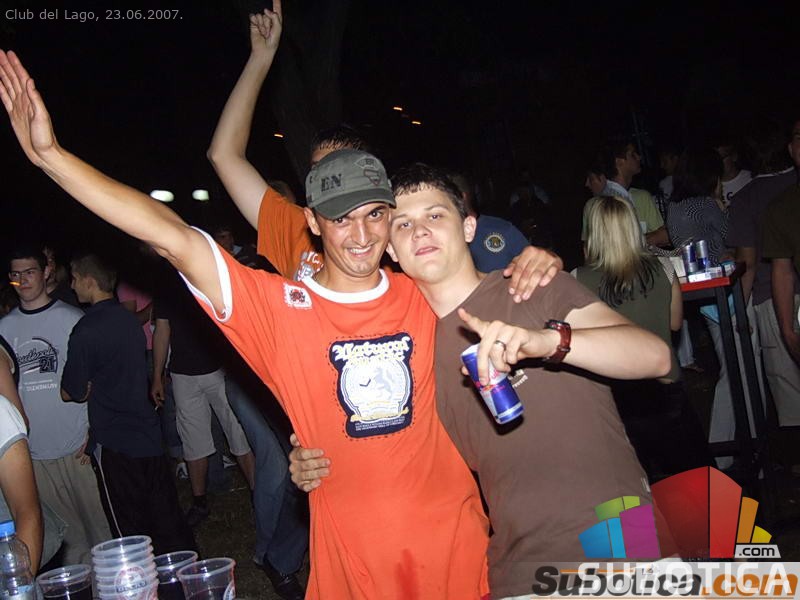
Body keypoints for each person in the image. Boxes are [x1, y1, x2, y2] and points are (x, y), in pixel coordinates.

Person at [0, 51, 560, 597]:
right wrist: (52, 156)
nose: (361, 235)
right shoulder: (279, 309)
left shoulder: (427, 292)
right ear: (312, 221)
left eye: (374, 214)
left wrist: (538, 262)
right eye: (341, 218)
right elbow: (172, 236)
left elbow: (508, 295)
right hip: (352, 568)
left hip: (456, 554)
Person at [291, 164, 672, 598]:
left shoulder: (530, 288)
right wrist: (313, 456)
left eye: (435, 215)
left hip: (622, 535)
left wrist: (546, 341)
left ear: (469, 227)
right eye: (403, 224)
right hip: (519, 569)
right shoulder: (409, 347)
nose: (420, 231)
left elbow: (655, 357)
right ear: (391, 249)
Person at [61, 253, 196, 555]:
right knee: (166, 518)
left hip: (115, 442)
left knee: (130, 531)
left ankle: (143, 578)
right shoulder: (129, 320)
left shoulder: (86, 329)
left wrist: (83, 387)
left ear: (89, 281)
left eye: (75, 278)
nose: (71, 286)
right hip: (147, 434)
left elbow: (71, 391)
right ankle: (182, 571)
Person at [575, 195, 710, 480]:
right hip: (664, 390)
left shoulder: (576, 279)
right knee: (693, 486)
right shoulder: (664, 268)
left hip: (613, 398)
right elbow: (675, 324)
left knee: (633, 493)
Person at [0, 247, 110, 564]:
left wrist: (94, 430)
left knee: (101, 534)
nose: (23, 280)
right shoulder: (4, 329)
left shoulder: (72, 319)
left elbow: (98, 379)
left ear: (46, 272)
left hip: (77, 448)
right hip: (34, 455)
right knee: (69, 543)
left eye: (29, 272)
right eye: (15, 275)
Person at [727, 120, 800, 426]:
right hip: (785, 288)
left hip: (771, 298)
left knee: (788, 387)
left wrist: (738, 315)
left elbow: (748, 262)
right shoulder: (789, 185)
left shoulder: (747, 197)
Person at [762, 118, 800, 368]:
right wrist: (787, 331)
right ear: (791, 149)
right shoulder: (781, 208)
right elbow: (782, 270)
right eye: (799, 137)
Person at [582, 140, 670, 248]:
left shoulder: (632, 196)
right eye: (633, 154)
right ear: (619, 161)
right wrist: (654, 238)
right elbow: (614, 248)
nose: (639, 157)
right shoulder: (609, 201)